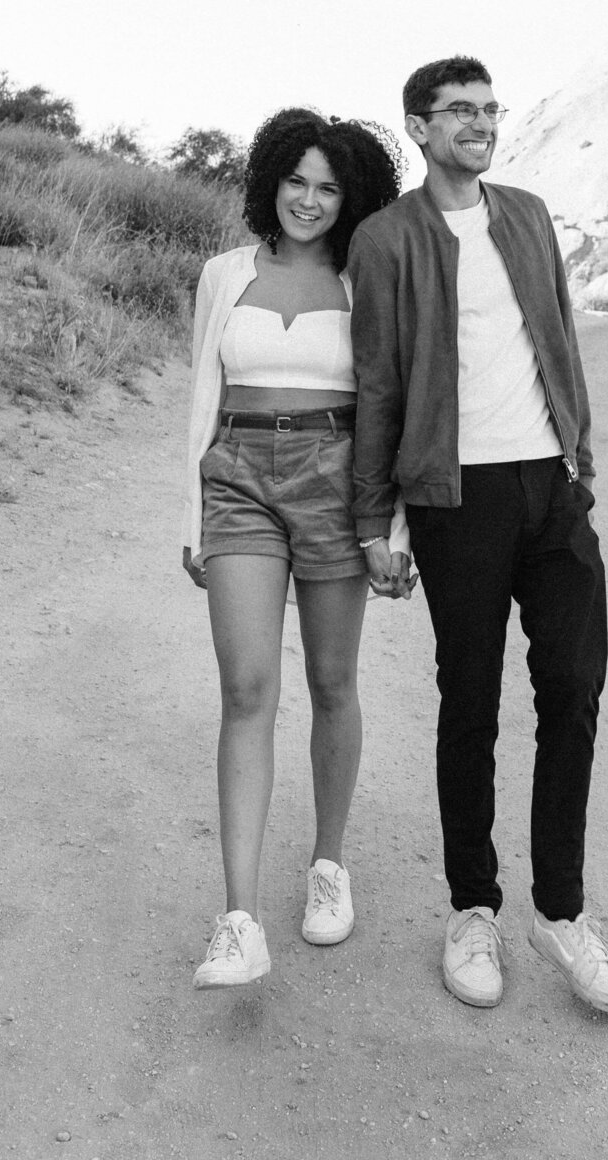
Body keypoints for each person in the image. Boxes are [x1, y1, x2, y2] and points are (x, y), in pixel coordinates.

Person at [346, 56, 608, 1016]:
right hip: (454, 499)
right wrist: (374, 520)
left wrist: (580, 461)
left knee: (574, 685)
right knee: (469, 703)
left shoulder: (527, 213)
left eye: (487, 109)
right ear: (418, 126)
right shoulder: (387, 239)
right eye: (458, 111)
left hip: (549, 487)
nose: (478, 123)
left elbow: (558, 332)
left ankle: (564, 913)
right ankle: (472, 906)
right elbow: (380, 384)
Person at [181, 107, 408, 989]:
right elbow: (201, 395)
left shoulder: (366, 279)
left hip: (337, 476)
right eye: (295, 181)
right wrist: (189, 514)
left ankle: (328, 865)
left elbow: (393, 402)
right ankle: (238, 920)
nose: (308, 201)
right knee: (245, 688)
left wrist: (392, 524)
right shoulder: (223, 274)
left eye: (328, 187)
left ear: (351, 199)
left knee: (330, 680)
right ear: (268, 180)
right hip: (236, 473)